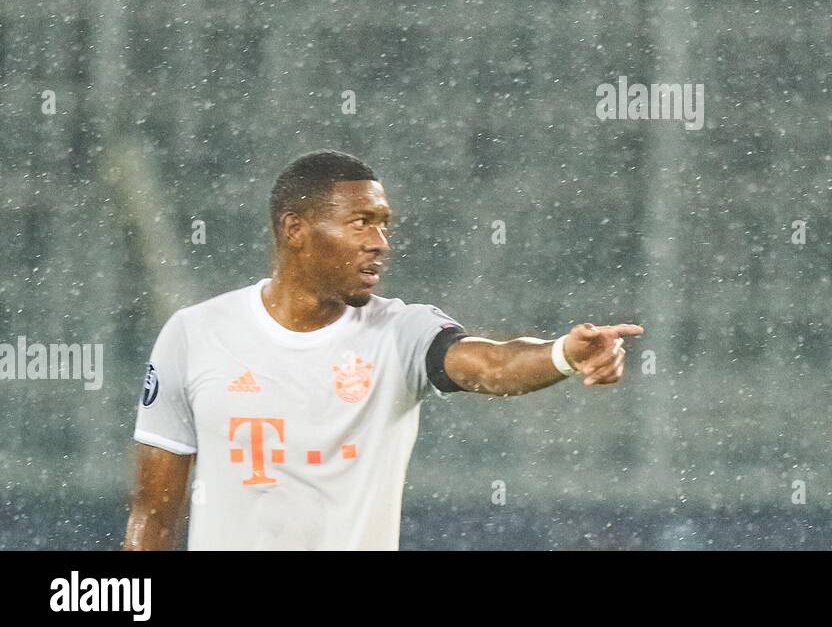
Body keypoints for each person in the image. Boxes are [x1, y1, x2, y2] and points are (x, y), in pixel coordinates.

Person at [123, 150, 642, 550]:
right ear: (295, 230)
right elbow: (152, 517)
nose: (380, 242)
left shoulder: (401, 332)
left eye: (384, 223)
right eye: (360, 222)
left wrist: (562, 355)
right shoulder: (194, 335)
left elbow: (493, 363)